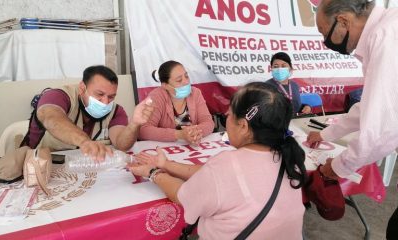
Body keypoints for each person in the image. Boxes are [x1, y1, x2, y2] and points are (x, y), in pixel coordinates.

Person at [130, 82, 307, 239]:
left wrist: (153, 173)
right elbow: (213, 178)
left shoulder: (225, 165)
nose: (226, 120)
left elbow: (183, 194)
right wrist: (166, 164)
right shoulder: (290, 157)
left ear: (244, 126)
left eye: (227, 116)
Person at [305, 1, 398, 238]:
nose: (325, 42)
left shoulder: (385, 37)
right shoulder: (388, 27)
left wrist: (337, 167)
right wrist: (326, 134)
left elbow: (380, 131)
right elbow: (370, 107)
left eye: (325, 33)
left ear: (344, 21)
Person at [21, 65, 154, 161]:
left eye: (111, 96)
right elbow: (51, 118)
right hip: (37, 165)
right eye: (100, 94)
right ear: (82, 88)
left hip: (81, 168)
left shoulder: (116, 111)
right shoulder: (57, 96)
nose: (105, 102)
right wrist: (84, 142)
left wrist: (134, 124)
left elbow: (122, 144)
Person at [138, 60, 214, 144]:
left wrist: (195, 132)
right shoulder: (156, 97)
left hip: (192, 148)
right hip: (165, 151)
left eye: (186, 76)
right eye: (179, 80)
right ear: (165, 85)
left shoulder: (195, 93)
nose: (186, 82)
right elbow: (143, 130)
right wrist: (179, 134)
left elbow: (208, 122)